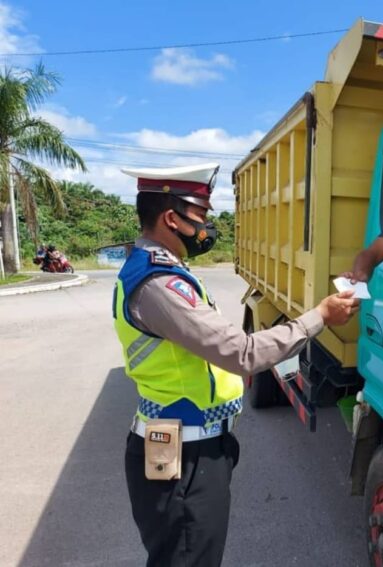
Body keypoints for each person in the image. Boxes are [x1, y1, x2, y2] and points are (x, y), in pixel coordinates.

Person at [114, 163, 359, 567]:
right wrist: (320, 317)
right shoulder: (160, 285)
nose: (207, 228)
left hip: (178, 442)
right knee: (187, 556)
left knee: (180, 554)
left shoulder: (159, 268)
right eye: (201, 217)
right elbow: (242, 353)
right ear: (171, 218)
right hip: (185, 458)